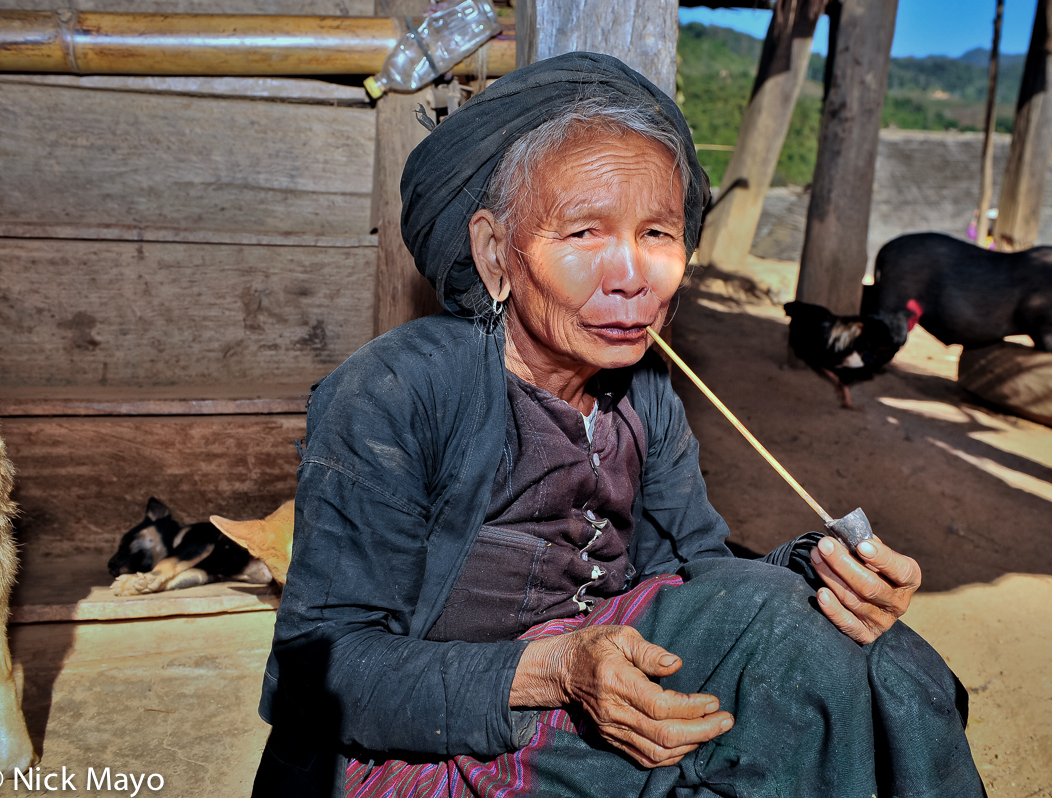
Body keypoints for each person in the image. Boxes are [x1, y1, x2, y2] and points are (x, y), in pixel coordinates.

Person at [252, 53, 984, 798]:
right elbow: (321, 667)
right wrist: (558, 668)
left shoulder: (646, 393)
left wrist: (828, 577)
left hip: (612, 700)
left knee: (884, 664)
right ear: (495, 252)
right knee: (805, 679)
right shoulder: (396, 393)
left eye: (659, 234)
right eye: (584, 234)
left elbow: (698, 571)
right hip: (428, 751)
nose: (631, 275)